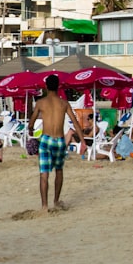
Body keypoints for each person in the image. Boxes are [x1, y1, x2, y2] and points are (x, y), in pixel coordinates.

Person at [29, 74, 83, 211]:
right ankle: (56, 201)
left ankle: (44, 206)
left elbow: (32, 121)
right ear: (58, 87)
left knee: (44, 174)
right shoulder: (64, 103)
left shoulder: (41, 103)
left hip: (46, 139)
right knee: (59, 171)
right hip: (59, 140)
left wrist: (30, 131)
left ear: (46, 87)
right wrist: (83, 141)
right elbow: (76, 123)